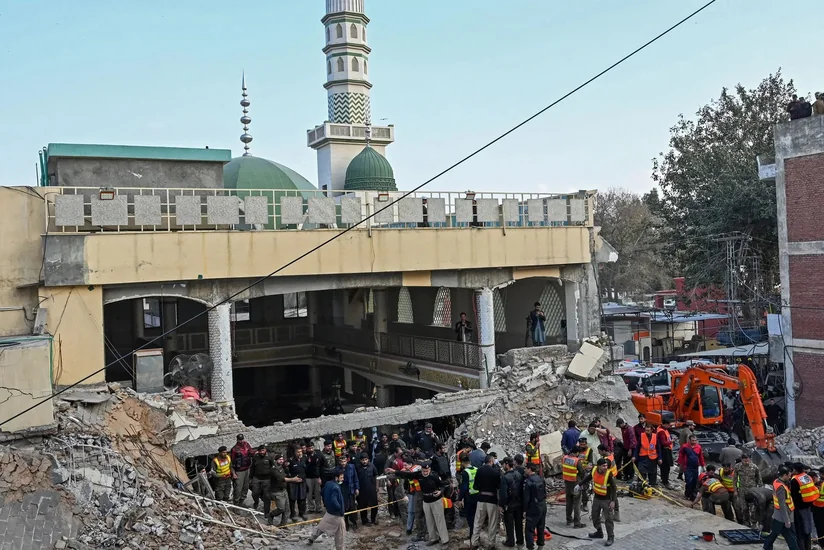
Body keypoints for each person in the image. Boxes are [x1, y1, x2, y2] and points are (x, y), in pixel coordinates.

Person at [392, 460, 450, 546]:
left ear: (429, 470)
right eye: (423, 471)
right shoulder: (419, 475)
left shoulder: (434, 476)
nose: (425, 473)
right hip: (426, 500)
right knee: (429, 521)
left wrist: (440, 491)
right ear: (421, 470)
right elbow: (407, 474)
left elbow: (442, 484)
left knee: (439, 520)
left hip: (436, 500)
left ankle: (445, 540)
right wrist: (395, 471)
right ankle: (434, 538)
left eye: (427, 471)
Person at [307, 467, 347, 550]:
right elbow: (334, 499)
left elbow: (322, 492)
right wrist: (339, 508)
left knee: (321, 526)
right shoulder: (336, 487)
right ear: (336, 477)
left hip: (329, 512)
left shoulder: (328, 483)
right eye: (341, 477)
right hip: (337, 514)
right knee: (341, 534)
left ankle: (312, 538)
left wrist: (327, 502)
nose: (343, 479)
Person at [580, 458, 616, 546]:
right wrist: (579, 484)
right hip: (597, 498)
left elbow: (614, 488)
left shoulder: (609, 474)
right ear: (599, 466)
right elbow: (588, 478)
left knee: (608, 519)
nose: (605, 467)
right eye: (603, 466)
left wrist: (613, 501)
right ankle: (599, 532)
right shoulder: (594, 470)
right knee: (595, 516)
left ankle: (610, 537)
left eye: (606, 466)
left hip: (606, 500)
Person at [763, 466, 800, 550]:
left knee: (775, 533)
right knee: (790, 536)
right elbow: (782, 504)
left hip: (778, 515)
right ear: (784, 475)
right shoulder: (781, 487)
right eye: (789, 475)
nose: (790, 477)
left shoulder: (776, 481)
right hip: (784, 515)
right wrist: (787, 520)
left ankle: (767, 546)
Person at [471, 454, 501, 549]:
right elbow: (499, 486)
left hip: (481, 499)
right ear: (491, 461)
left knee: (478, 522)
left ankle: (474, 542)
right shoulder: (496, 472)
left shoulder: (479, 470)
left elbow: (475, 486)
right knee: (492, 522)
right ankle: (491, 544)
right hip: (492, 500)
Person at [790, 462, 817, 550]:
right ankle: (807, 547)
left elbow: (793, 495)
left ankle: (801, 547)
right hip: (808, 505)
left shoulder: (795, 480)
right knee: (807, 528)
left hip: (799, 507)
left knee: (800, 530)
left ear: (795, 470)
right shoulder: (807, 477)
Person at [500, 457, 524, 548]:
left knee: (509, 524)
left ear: (507, 464)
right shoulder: (518, 474)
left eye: (503, 464)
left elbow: (503, 494)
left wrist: (501, 505)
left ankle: (510, 541)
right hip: (519, 504)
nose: (502, 466)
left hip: (509, 504)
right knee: (519, 524)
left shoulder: (505, 477)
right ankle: (520, 541)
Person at [734, 452, 763, 527]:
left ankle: (754, 523)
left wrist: (760, 490)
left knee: (753, 509)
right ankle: (746, 522)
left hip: (752, 491)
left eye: (747, 459)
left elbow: (759, 479)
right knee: (744, 508)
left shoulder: (754, 467)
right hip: (742, 491)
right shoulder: (737, 467)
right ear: (741, 459)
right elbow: (735, 479)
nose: (746, 461)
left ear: (750, 459)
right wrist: (735, 490)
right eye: (744, 459)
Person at [523, 462, 547, 550]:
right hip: (543, 505)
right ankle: (541, 545)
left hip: (533, 507)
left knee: (529, 529)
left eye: (526, 468)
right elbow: (545, 493)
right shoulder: (540, 478)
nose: (525, 470)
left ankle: (530, 547)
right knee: (541, 526)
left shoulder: (528, 482)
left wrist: (524, 510)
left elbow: (526, 498)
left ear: (529, 469)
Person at [561, 445, 586, 528]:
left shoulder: (564, 458)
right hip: (575, 483)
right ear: (577, 453)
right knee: (577, 503)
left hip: (567, 483)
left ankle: (568, 520)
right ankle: (577, 523)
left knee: (569, 502)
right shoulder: (576, 460)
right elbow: (582, 472)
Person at [268, 453, 294, 527]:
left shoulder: (282, 467)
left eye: (282, 459)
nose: (281, 461)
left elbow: (286, 474)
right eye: (279, 459)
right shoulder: (273, 469)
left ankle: (283, 525)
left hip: (283, 490)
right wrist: (293, 479)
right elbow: (281, 478)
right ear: (275, 460)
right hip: (277, 492)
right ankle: (271, 515)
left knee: (287, 510)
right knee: (281, 508)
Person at [459, 454, 479, 542]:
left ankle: (472, 536)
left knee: (470, 517)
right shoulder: (476, 469)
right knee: (476, 517)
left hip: (469, 497)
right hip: (477, 496)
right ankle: (475, 535)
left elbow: (464, 487)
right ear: (470, 462)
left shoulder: (465, 473)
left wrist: (460, 499)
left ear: (463, 463)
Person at [678, 434, 705, 500]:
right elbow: (681, 455)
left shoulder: (698, 447)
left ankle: (693, 495)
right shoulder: (685, 447)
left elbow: (700, 457)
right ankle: (687, 494)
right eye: (693, 440)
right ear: (689, 440)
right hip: (687, 467)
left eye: (695, 440)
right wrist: (680, 464)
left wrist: (703, 465)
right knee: (689, 481)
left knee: (695, 481)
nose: (694, 442)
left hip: (695, 467)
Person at [354, 452, 378, 526]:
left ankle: (373, 519)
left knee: (374, 505)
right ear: (360, 460)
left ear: (368, 460)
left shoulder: (372, 466)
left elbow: (376, 476)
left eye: (366, 459)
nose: (364, 461)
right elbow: (355, 478)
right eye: (363, 460)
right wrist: (356, 488)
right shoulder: (357, 467)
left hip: (371, 489)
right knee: (362, 506)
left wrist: (377, 487)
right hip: (362, 490)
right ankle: (364, 521)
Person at [598, 444, 620, 522]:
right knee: (614, 496)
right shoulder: (611, 456)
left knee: (606, 497)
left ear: (604, 451)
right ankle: (616, 515)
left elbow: (602, 469)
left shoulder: (607, 460)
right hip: (613, 477)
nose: (599, 453)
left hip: (609, 479)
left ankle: (605, 516)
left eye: (600, 451)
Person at [230, 434, 254, 506]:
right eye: (240, 440)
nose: (241, 441)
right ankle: (236, 504)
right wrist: (233, 473)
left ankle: (241, 502)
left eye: (242, 439)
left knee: (246, 487)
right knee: (238, 488)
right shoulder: (234, 449)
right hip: (239, 471)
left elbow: (251, 452)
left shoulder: (247, 445)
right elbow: (231, 462)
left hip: (247, 469)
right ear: (237, 440)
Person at [250, 445, 274, 515]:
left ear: (265, 450)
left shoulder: (269, 457)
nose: (261, 452)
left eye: (263, 450)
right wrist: (250, 478)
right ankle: (256, 502)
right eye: (260, 451)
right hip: (257, 478)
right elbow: (252, 468)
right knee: (254, 493)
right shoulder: (255, 457)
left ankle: (266, 512)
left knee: (267, 496)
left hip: (267, 479)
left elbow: (273, 467)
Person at [287, 447, 308, 522]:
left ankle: (302, 513)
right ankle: (293, 514)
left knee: (302, 498)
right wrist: (292, 479)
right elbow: (287, 471)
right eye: (298, 452)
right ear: (295, 453)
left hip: (302, 482)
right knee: (292, 499)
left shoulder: (304, 459)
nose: (300, 453)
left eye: (301, 451)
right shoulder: (290, 460)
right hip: (293, 483)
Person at [339, 455, 360, 531]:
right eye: (342, 462)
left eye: (344, 461)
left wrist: (357, 488)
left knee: (352, 507)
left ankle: (354, 522)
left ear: (347, 461)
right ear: (339, 462)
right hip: (342, 491)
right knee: (344, 507)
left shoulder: (352, 467)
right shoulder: (337, 469)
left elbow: (355, 478)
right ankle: (346, 523)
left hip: (351, 490)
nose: (343, 463)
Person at [305, 442, 324, 514]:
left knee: (317, 493)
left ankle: (319, 507)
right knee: (309, 494)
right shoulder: (305, 456)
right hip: (308, 477)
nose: (310, 449)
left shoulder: (318, 454)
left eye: (312, 448)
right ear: (307, 448)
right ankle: (311, 508)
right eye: (309, 448)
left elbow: (321, 465)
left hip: (317, 477)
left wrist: (320, 477)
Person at [656, 421, 674, 488]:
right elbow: (663, 443)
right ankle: (665, 481)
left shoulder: (664, 430)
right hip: (664, 451)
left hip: (666, 450)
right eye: (669, 425)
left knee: (665, 467)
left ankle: (664, 479)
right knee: (665, 467)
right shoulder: (661, 432)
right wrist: (671, 442)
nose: (670, 426)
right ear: (665, 424)